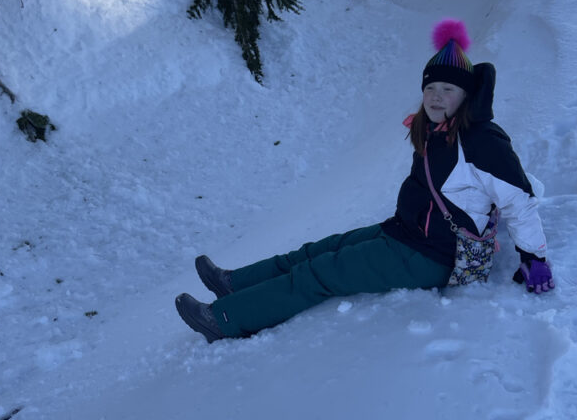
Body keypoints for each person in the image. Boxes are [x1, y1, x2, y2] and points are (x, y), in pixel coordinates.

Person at [175, 20, 554, 343]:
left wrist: (533, 257)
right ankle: (233, 282)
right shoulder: (437, 130)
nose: (436, 97)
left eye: (448, 89)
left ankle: (225, 320)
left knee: (322, 271)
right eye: (430, 88)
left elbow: (519, 197)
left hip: (436, 256)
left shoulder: (481, 141)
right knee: (314, 251)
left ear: (466, 95)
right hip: (407, 234)